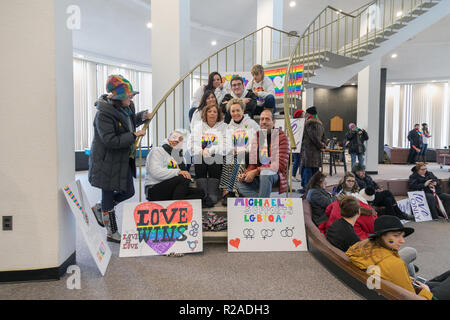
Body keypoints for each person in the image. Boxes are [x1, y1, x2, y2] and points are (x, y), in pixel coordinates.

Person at [89, 75, 150, 243]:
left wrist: (141, 117)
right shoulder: (103, 115)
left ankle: (101, 208)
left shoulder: (126, 107)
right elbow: (110, 140)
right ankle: (111, 232)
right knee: (108, 194)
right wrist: (133, 135)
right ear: (118, 98)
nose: (131, 98)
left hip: (121, 159)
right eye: (129, 96)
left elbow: (128, 122)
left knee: (129, 191)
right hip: (106, 162)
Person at [346, 215, 450, 300]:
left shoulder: (360, 247)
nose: (402, 240)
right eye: (396, 236)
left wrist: (401, 278)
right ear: (381, 236)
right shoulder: (394, 264)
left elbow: (384, 273)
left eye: (402, 236)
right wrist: (426, 292)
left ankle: (426, 285)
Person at [236, 110, 289, 198]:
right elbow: (253, 164)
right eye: (262, 119)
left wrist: (256, 171)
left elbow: (279, 165)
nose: (264, 122)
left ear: (274, 122)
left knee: (265, 173)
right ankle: (262, 201)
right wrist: (246, 174)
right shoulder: (257, 137)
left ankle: (261, 205)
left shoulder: (282, 137)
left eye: (267, 119)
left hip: (275, 175)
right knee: (239, 184)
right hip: (258, 175)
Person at [144, 131, 205, 202]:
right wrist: (178, 172)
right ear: (168, 139)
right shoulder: (157, 151)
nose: (176, 140)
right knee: (182, 177)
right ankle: (177, 204)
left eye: (180, 139)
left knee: (200, 192)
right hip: (154, 188)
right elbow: (156, 172)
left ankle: (175, 201)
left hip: (172, 188)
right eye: (174, 137)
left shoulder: (179, 157)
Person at [219, 98, 259, 206]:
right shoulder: (228, 127)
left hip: (249, 154)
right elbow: (226, 144)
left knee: (239, 157)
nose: (235, 113)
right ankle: (227, 191)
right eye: (233, 111)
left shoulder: (252, 124)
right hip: (234, 154)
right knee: (229, 158)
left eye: (238, 110)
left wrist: (242, 150)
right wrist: (232, 150)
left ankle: (231, 191)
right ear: (229, 112)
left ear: (243, 111)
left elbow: (256, 142)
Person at [188, 104, 227, 206]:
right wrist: (201, 151)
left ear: (218, 114)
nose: (212, 114)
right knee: (199, 158)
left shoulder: (224, 127)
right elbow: (191, 144)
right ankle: (203, 193)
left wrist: (211, 150)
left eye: (215, 111)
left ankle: (213, 193)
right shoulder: (198, 127)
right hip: (201, 154)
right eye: (209, 111)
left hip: (217, 155)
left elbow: (226, 145)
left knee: (215, 158)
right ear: (205, 113)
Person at [299, 106, 326, 193]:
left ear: (308, 113)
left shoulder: (310, 123)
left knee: (308, 171)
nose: (305, 114)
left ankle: (307, 189)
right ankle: (314, 188)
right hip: (316, 152)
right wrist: (323, 146)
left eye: (306, 113)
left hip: (309, 152)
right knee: (314, 171)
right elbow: (324, 137)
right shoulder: (320, 123)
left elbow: (314, 138)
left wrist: (321, 146)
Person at [292, 109, 304, 182]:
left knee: (297, 160)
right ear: (299, 115)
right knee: (297, 160)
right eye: (302, 114)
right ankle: (293, 175)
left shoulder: (299, 122)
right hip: (296, 144)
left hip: (297, 143)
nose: (303, 115)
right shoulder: (298, 123)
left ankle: (294, 175)